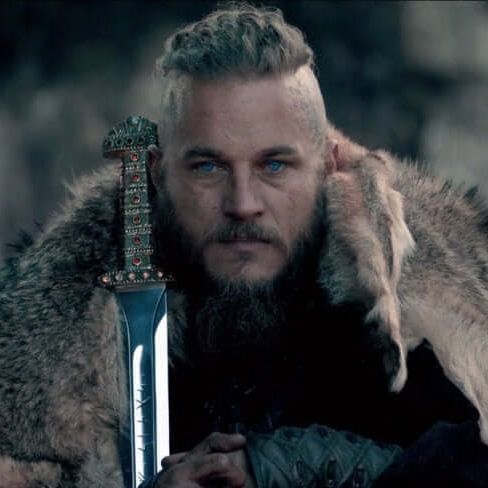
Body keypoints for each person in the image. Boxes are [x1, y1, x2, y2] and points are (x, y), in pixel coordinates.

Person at [0, 4, 487, 487]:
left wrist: (287, 465)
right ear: (157, 174)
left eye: (274, 165)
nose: (243, 204)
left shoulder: (415, 329)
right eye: (207, 167)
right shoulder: (66, 341)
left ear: (328, 166)